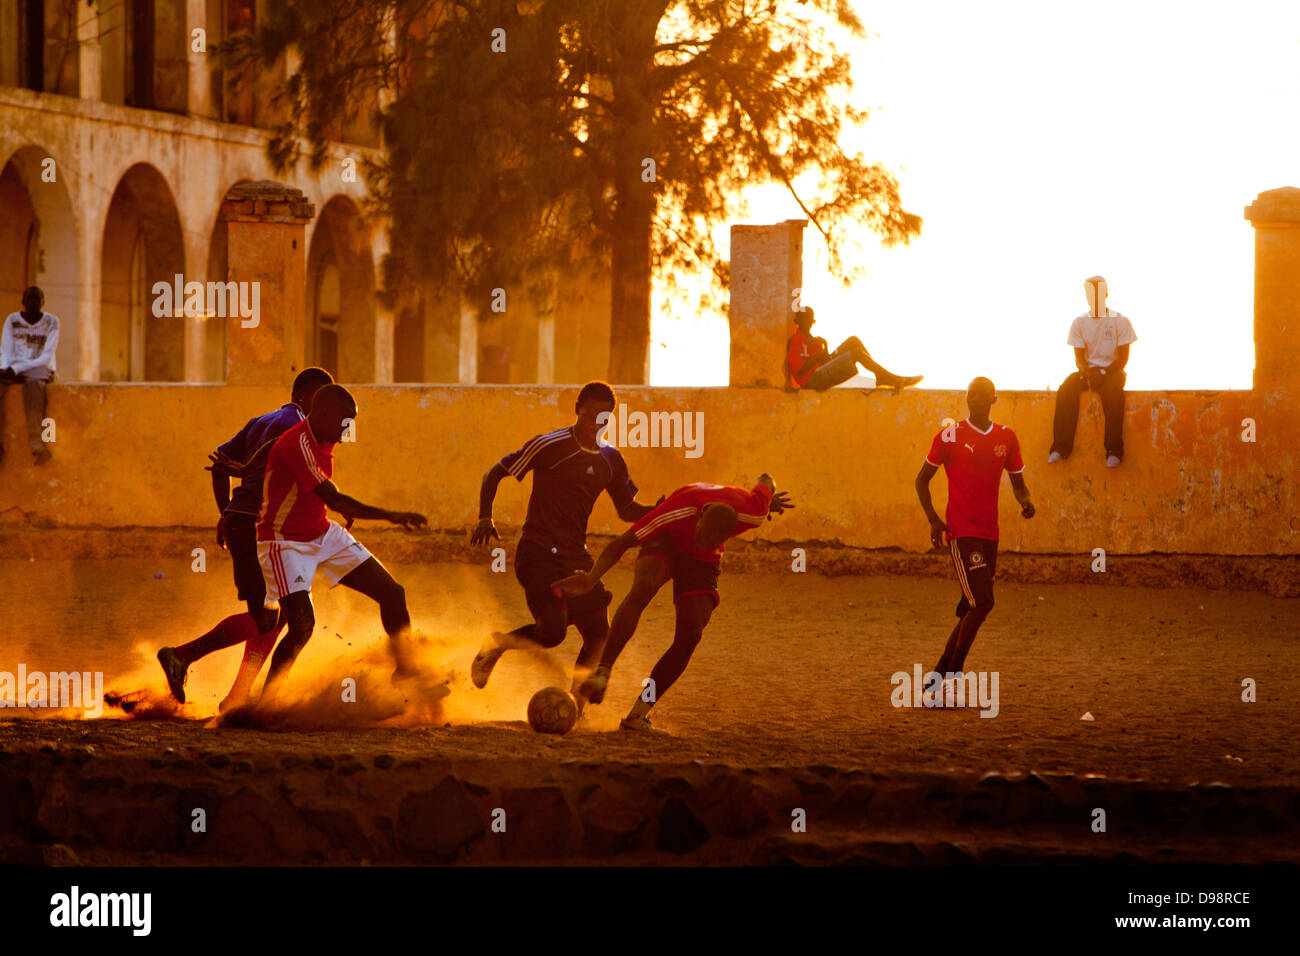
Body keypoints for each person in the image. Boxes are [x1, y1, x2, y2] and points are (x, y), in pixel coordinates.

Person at [237, 384, 427, 711]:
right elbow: (335, 497)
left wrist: (243, 467)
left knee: (393, 593)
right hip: (283, 542)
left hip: (321, 532)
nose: (346, 432)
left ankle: (407, 672)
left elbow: (277, 456)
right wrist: (391, 516)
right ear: (323, 413)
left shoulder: (320, 436)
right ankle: (264, 704)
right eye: (344, 422)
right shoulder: (296, 443)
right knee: (302, 627)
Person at [469, 381, 659, 703]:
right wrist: (485, 517)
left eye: (604, 418)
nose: (596, 424)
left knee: (599, 633)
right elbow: (495, 472)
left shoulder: (611, 460)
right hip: (537, 552)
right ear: (578, 410)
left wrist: (659, 511)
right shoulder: (549, 445)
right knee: (553, 634)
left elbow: (627, 510)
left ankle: (576, 704)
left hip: (576, 560)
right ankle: (496, 644)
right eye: (591, 415)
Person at [156, 367, 334, 711]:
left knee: (277, 613)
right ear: (306, 397)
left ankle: (237, 696)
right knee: (276, 615)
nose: (331, 411)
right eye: (325, 401)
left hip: (248, 522)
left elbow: (220, 465)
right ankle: (181, 656)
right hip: (262, 525)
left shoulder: (261, 421)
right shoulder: (297, 429)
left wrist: (226, 512)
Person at [556, 477, 794, 733]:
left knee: (691, 634)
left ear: (729, 533)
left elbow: (767, 480)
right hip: (667, 540)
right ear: (699, 519)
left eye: (713, 541)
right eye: (702, 535)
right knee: (644, 586)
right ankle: (603, 671)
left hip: (701, 562)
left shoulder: (752, 512)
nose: (702, 541)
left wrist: (769, 498)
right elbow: (620, 543)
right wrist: (591, 579)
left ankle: (637, 716)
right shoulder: (675, 512)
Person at [915, 378, 1034, 705]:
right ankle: (951, 679)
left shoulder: (1006, 437)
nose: (976, 400)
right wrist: (934, 519)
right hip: (961, 531)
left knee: (972, 605)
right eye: (971, 395)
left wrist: (1026, 501)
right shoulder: (950, 436)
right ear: (966, 399)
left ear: (993, 399)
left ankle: (934, 682)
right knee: (983, 602)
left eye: (983, 395)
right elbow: (921, 480)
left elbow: (1018, 482)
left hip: (989, 533)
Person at [1049, 276, 1137, 468]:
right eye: (1089, 293)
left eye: (1097, 293)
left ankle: (1114, 451)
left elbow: (1122, 359)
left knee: (1115, 395)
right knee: (1066, 388)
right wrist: (1087, 372)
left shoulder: (1120, 321)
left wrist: (1104, 372)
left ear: (1105, 294)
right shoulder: (1079, 323)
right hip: (1088, 371)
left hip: (1112, 371)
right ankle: (1060, 447)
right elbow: (1079, 358)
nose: (1093, 297)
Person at [786, 307, 922, 391]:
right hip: (811, 381)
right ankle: (889, 379)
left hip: (821, 374)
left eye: (810, 320)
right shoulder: (796, 340)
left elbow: (824, 361)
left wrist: (824, 347)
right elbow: (800, 370)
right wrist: (818, 356)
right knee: (855, 354)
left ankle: (880, 375)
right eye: (806, 320)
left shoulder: (812, 339)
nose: (809, 323)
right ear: (799, 322)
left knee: (853, 341)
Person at [0, 286, 59, 465]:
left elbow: (46, 356)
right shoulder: (12, 320)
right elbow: (6, 350)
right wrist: (6, 368)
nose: (33, 303)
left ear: (43, 302)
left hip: (39, 367)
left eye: (37, 299)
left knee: (34, 388)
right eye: (30, 299)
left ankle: (37, 445)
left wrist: (18, 369)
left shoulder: (52, 322)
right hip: (15, 366)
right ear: (23, 302)